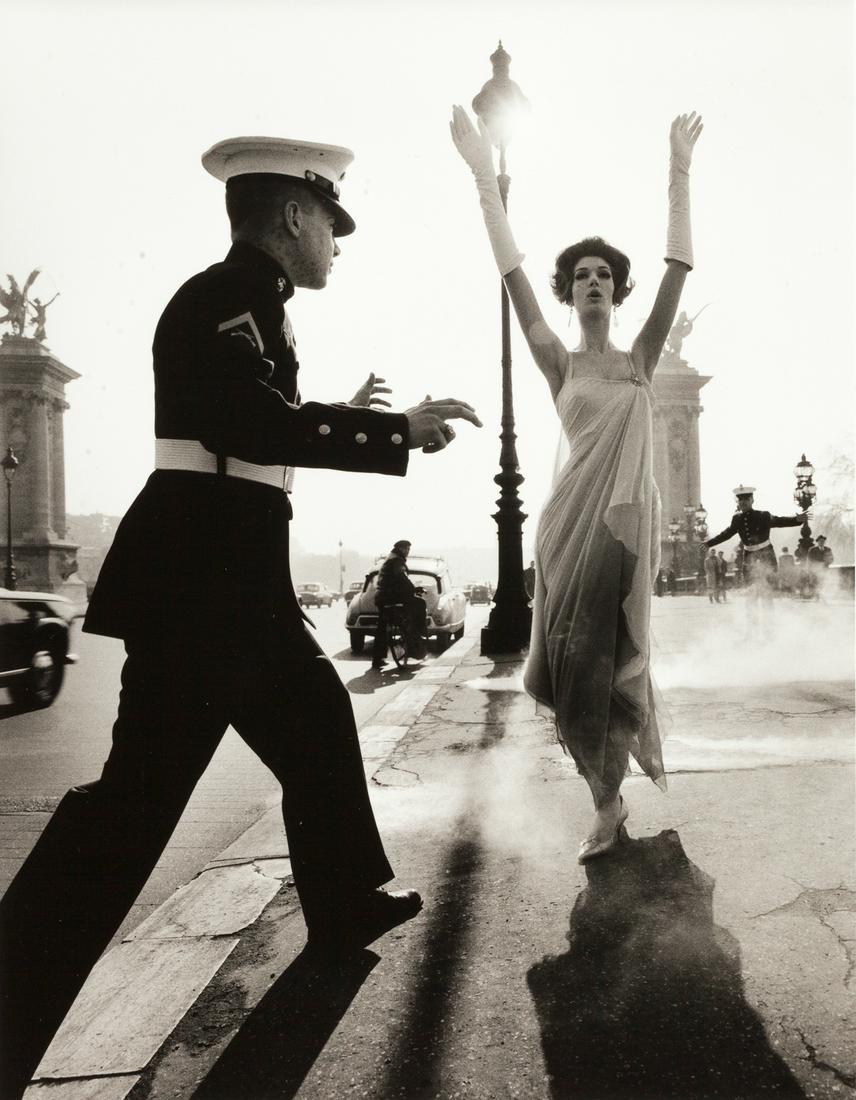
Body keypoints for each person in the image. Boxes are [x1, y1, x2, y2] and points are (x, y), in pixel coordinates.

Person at [0, 135, 482, 1099]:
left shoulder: (253, 303)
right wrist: (391, 430)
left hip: (233, 582)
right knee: (134, 806)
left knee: (316, 726)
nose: (337, 246)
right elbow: (243, 425)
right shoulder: (224, 295)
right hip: (201, 590)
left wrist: (339, 410)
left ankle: (345, 903)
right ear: (293, 216)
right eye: (331, 226)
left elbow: (252, 423)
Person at [451, 106, 703, 862]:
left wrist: (679, 172)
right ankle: (607, 799)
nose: (593, 283)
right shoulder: (558, 362)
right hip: (564, 533)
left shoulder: (640, 360)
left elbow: (678, 271)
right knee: (563, 675)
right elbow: (511, 273)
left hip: (621, 532)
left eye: (604, 276)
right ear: (570, 294)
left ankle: (604, 807)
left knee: (610, 670)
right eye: (582, 277)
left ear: (616, 294)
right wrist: (479, 175)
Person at [704, 486, 807, 595]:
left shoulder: (763, 515)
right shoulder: (737, 519)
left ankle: (769, 611)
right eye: (740, 500)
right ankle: (750, 612)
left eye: (746, 500)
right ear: (738, 503)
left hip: (766, 553)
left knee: (769, 586)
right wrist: (709, 543)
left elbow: (780, 521)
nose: (743, 502)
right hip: (749, 555)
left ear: (752, 500)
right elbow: (726, 534)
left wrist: (796, 520)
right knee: (749, 586)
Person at [372, 539, 428, 668]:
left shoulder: (389, 559)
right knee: (420, 603)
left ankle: (377, 658)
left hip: (382, 597)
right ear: (401, 549)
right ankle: (420, 631)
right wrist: (415, 589)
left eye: (409, 549)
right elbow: (402, 578)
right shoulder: (397, 560)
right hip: (392, 597)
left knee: (382, 627)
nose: (407, 552)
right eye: (406, 549)